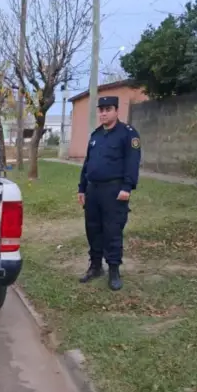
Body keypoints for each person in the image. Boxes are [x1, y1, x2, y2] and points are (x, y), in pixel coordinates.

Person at [77, 95, 142, 291]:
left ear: (116, 111)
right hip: (93, 190)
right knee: (93, 229)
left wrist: (127, 187)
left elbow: (132, 162)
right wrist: (82, 188)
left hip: (114, 190)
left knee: (112, 230)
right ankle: (95, 266)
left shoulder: (127, 134)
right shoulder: (96, 135)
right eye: (101, 110)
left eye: (108, 109)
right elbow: (87, 163)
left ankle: (114, 269)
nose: (104, 113)